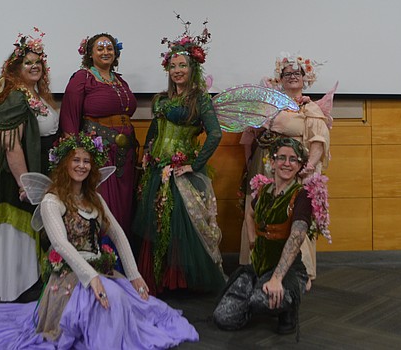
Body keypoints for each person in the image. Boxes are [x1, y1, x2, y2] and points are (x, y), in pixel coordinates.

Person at [0, 133, 199, 349]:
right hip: (70, 274)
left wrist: (133, 274)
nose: (82, 166)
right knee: (108, 303)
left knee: (137, 304)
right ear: (64, 164)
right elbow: (61, 245)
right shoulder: (52, 200)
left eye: (86, 161)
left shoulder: (95, 198)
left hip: (101, 269)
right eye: (76, 160)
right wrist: (91, 278)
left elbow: (117, 233)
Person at [133, 20, 225, 294]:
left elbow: (216, 134)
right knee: (157, 225)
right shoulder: (161, 99)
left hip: (180, 171)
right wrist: (147, 155)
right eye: (172, 66)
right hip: (157, 170)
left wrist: (194, 165)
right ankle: (158, 279)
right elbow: (154, 130)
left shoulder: (200, 99)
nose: (177, 71)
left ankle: (180, 281)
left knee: (180, 227)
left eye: (182, 65)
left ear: (192, 68)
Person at [213, 137, 330, 336]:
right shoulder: (263, 191)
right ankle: (259, 294)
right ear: (272, 162)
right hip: (258, 267)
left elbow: (296, 238)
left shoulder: (301, 196)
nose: (286, 163)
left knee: (260, 300)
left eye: (293, 159)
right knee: (222, 317)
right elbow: (249, 215)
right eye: (281, 158)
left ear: (300, 165)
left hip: (287, 271)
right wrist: (252, 243)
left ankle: (288, 306)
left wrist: (277, 279)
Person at [0, 28, 60, 302]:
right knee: (20, 231)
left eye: (38, 62)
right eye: (28, 63)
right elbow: (11, 146)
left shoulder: (37, 94)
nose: (35, 66)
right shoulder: (13, 97)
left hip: (40, 171)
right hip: (19, 178)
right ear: (16, 68)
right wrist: (26, 183)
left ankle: (34, 281)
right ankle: (17, 286)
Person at [238, 53, 332, 291]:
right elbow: (250, 135)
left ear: (304, 79)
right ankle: (256, 263)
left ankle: (298, 269)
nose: (292, 77)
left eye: (296, 74)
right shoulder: (269, 104)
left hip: (294, 169)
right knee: (260, 210)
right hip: (265, 165)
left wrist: (308, 166)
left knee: (292, 215)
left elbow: (318, 140)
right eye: (287, 74)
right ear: (280, 78)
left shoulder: (310, 108)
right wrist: (250, 161)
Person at [59, 33, 138, 236]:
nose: (106, 52)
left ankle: (122, 257)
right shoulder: (82, 79)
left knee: (125, 205)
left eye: (109, 48)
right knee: (103, 203)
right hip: (98, 153)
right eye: (100, 48)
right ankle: (102, 254)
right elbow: (70, 117)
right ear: (90, 53)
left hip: (125, 154)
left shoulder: (120, 81)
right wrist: (76, 156)